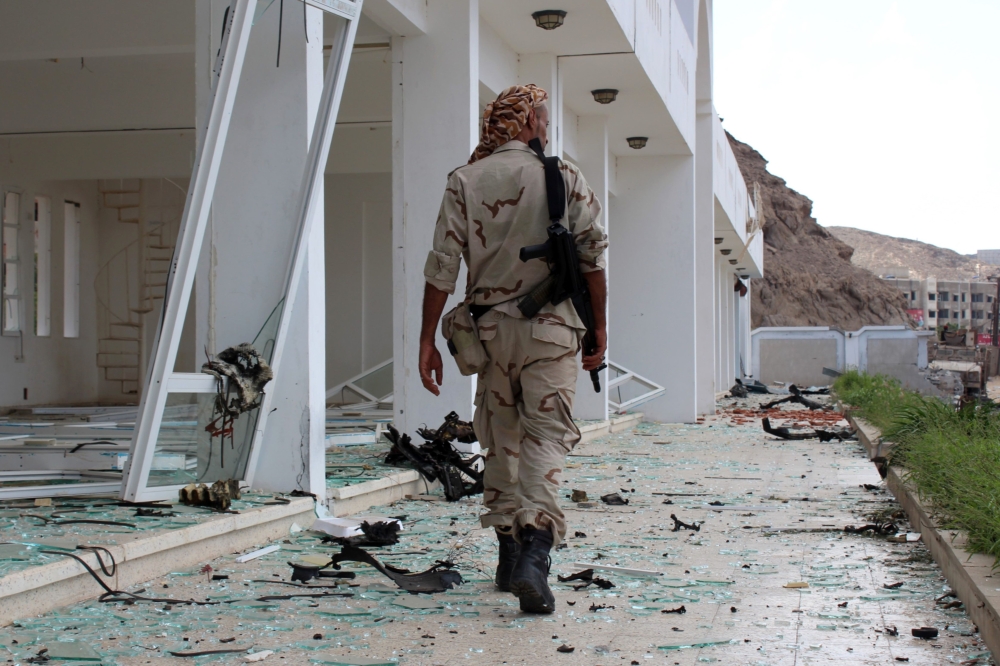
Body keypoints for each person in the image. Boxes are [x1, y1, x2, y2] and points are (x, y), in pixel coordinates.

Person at [418, 84, 608, 613]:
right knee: (546, 436)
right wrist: (599, 327)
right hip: (551, 332)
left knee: (500, 438)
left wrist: (427, 340)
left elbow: (441, 266)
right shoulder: (563, 175)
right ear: (528, 124)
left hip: (489, 336)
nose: (547, 129)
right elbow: (592, 257)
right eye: (543, 120)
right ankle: (535, 550)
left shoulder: (464, 179)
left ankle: (506, 551)